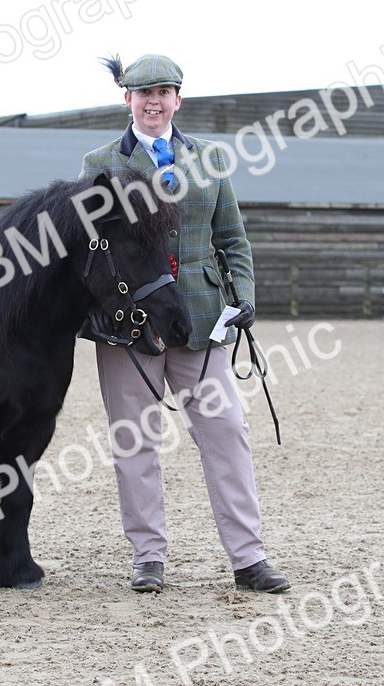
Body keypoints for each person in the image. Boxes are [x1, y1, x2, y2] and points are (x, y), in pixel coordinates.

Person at [78, 53, 290, 594]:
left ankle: (249, 558)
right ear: (128, 100)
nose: (153, 102)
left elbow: (232, 239)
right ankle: (148, 556)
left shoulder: (212, 159)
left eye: (164, 92)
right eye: (143, 93)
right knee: (135, 443)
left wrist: (243, 294)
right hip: (131, 328)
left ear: (178, 99)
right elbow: (90, 246)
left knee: (228, 435)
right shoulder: (99, 162)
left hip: (199, 319)